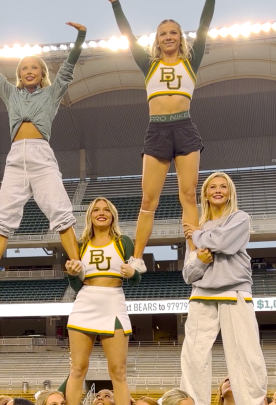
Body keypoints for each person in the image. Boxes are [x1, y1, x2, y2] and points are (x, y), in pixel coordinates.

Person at [104, 0, 217, 264]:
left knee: (188, 194)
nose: (168, 37)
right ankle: (138, 258)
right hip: (157, 130)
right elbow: (128, 36)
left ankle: (192, 252)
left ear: (180, 38)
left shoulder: (191, 62)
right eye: (163, 33)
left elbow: (204, 26)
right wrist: (116, 5)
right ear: (157, 40)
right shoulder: (149, 64)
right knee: (148, 199)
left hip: (184, 128)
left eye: (173, 32)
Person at [0, 23, 85, 272]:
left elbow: (67, 70)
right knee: (3, 213)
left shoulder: (52, 93)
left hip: (41, 154)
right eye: (24, 68)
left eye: (34, 67)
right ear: (19, 74)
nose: (29, 71)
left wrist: (80, 38)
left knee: (60, 208)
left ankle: (77, 263)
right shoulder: (10, 93)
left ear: (42, 72)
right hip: (15, 158)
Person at [180, 172, 267, 405]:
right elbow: (188, 274)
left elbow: (223, 243)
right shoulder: (200, 227)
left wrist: (196, 235)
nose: (218, 190)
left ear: (230, 192)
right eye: (212, 187)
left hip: (235, 291)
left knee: (245, 354)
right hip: (201, 295)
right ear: (205, 194)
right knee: (193, 355)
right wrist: (200, 260)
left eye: (223, 186)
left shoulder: (239, 219)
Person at [62, 198, 139, 405]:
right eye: (96, 209)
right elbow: (76, 285)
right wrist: (72, 274)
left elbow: (136, 281)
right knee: (77, 369)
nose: (101, 213)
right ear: (90, 216)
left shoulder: (123, 242)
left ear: (113, 215)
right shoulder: (81, 243)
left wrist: (133, 274)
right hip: (85, 302)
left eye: (107, 210)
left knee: (118, 371)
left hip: (113, 301)